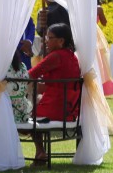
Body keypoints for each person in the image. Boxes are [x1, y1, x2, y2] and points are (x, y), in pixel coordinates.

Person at [28, 22, 82, 165]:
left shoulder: (56, 56)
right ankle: (40, 153)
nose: (45, 41)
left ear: (60, 41)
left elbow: (31, 74)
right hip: (70, 107)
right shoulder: (71, 56)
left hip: (56, 107)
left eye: (49, 38)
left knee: (26, 117)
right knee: (33, 107)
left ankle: (40, 152)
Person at [95, 0, 113, 97]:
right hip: (94, 34)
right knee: (99, 59)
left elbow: (104, 22)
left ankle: (99, 85)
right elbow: (104, 22)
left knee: (99, 59)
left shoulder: (97, 8)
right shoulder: (97, 8)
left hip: (95, 35)